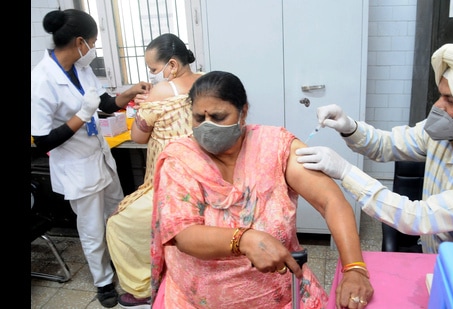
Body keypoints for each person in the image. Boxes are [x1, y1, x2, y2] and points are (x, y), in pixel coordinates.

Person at [150, 71, 373, 308]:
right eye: (198, 118)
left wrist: (354, 268)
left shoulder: (272, 146)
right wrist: (243, 239)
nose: (207, 126)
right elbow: (183, 234)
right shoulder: (181, 159)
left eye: (218, 116)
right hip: (194, 300)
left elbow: (330, 201)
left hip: (281, 298)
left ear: (243, 112)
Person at [295, 43, 453, 254]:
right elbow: (386, 145)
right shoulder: (445, 135)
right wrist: (349, 127)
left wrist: (345, 172)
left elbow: (420, 218)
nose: (437, 106)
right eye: (440, 95)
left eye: (450, 101)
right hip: (437, 261)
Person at [30, 9, 151, 308]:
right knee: (92, 229)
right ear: (80, 41)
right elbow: (42, 140)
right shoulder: (40, 80)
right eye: (94, 42)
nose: (94, 49)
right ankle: (103, 282)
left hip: (100, 158)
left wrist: (129, 92)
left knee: (117, 216)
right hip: (76, 168)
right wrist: (81, 116)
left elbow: (105, 104)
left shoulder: (81, 69)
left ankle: (124, 266)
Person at [106, 33, 203, 308]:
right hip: (204, 173)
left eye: (153, 69)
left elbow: (138, 137)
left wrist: (142, 107)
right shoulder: (207, 81)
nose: (154, 75)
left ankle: (141, 287)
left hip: (172, 179)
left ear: (171, 65)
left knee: (118, 223)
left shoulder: (162, 91)